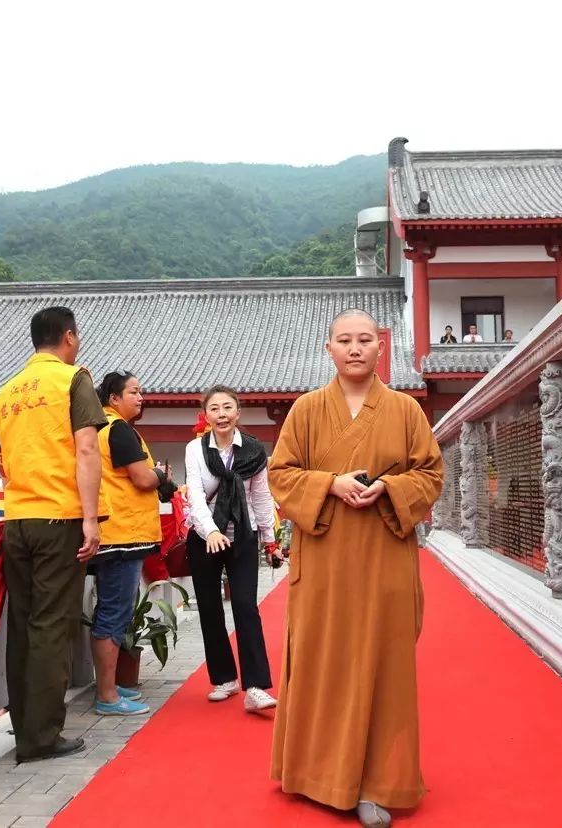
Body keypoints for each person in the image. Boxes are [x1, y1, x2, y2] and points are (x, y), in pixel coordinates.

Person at [269, 308, 444, 828]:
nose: (354, 348)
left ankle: (377, 783)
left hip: (384, 557)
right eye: (344, 340)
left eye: (365, 339)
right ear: (329, 348)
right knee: (325, 661)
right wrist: (330, 484)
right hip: (323, 559)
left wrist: (389, 487)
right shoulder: (305, 409)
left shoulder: (407, 410)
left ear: (379, 348)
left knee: (383, 666)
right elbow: (281, 474)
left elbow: (431, 474)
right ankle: (316, 773)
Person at [0, 306, 108, 762]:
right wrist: (91, 519)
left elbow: (3, 464)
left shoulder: (4, 393)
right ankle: (41, 738)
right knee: (51, 626)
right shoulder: (73, 378)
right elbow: (85, 449)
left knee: (21, 626)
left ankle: (26, 730)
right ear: (69, 337)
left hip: (17, 518)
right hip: (58, 517)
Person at [184, 385, 279, 711]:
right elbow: (194, 495)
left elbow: (261, 497)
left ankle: (256, 687)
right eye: (215, 409)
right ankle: (225, 678)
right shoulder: (195, 450)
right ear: (206, 415)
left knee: (245, 606)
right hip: (204, 537)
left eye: (227, 408)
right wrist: (210, 531)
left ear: (237, 413)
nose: (221, 414)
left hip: (242, 534)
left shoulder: (253, 451)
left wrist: (269, 538)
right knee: (210, 608)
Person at [90, 370, 176, 716]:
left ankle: (110, 687)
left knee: (111, 610)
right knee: (113, 613)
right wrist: (161, 474)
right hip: (122, 533)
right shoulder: (118, 430)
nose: (141, 397)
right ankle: (108, 696)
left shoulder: (99, 429)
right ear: (113, 398)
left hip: (114, 531)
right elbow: (141, 479)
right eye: (134, 392)